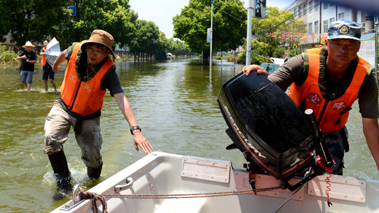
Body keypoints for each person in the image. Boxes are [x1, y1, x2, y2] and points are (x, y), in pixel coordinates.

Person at [242, 20, 379, 175]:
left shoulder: (366, 76)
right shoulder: (302, 62)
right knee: (289, 175)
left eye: (351, 44)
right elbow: (267, 91)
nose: (343, 49)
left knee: (331, 178)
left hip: (331, 132)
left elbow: (370, 126)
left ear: (358, 47)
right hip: (293, 130)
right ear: (326, 43)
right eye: (337, 43)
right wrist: (262, 77)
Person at [43, 29, 153, 200]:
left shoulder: (109, 72)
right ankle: (64, 182)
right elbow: (65, 52)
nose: (93, 54)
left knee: (92, 158)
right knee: (51, 139)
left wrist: (136, 130)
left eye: (99, 51)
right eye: (90, 49)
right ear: (86, 47)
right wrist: (56, 65)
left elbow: (121, 98)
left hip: (89, 116)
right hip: (63, 106)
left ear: (107, 54)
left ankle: (94, 181)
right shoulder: (77, 49)